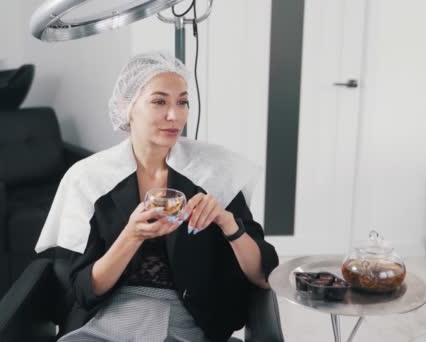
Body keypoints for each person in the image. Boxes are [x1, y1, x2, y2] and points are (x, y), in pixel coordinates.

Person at [35, 51, 279, 342]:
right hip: (108, 317)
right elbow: (85, 291)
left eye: (183, 102)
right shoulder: (90, 178)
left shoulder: (213, 172)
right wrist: (131, 236)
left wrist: (227, 222)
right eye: (159, 101)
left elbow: (261, 275)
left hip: (190, 319)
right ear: (127, 106)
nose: (174, 115)